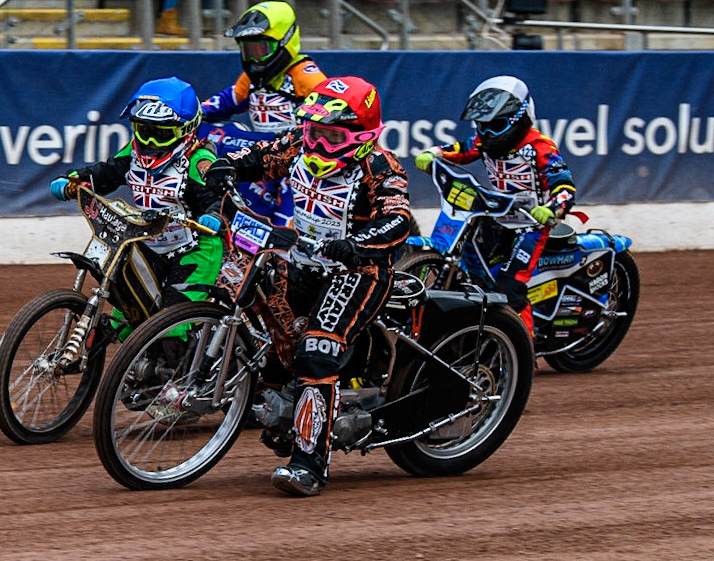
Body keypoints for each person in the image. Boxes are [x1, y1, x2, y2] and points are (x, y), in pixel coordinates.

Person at [205, 76, 411, 496]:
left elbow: (400, 217)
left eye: (331, 134)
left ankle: (309, 464)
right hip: (302, 263)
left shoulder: (380, 167)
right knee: (266, 328)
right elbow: (257, 155)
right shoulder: (299, 145)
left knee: (317, 350)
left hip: (358, 273)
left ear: (363, 135)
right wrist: (225, 167)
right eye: (313, 130)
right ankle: (283, 407)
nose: (318, 140)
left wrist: (358, 244)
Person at [50, 76, 224, 340]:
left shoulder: (199, 160)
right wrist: (74, 180)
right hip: (149, 242)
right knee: (128, 319)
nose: (151, 143)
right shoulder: (131, 154)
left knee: (171, 325)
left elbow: (217, 198)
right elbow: (106, 173)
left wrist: (213, 215)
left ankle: (185, 374)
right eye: (145, 130)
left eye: (160, 133)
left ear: (185, 130)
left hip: (195, 249)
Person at [414, 75, 577, 335]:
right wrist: (435, 153)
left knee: (509, 287)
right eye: (482, 125)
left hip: (531, 225)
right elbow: (464, 149)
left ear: (520, 118)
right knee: (472, 273)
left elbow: (564, 185)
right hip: (496, 215)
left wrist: (553, 208)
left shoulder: (540, 147)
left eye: (496, 125)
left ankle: (522, 352)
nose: (487, 133)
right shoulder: (484, 142)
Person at [201, 0, 327, 224]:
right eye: (248, 50)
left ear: (285, 42)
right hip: (262, 154)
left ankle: (287, 240)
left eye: (261, 49)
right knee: (216, 133)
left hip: (296, 155)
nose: (253, 58)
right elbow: (226, 101)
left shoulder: (305, 76)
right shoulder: (251, 79)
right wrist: (193, 113)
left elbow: (330, 118)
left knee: (289, 223)